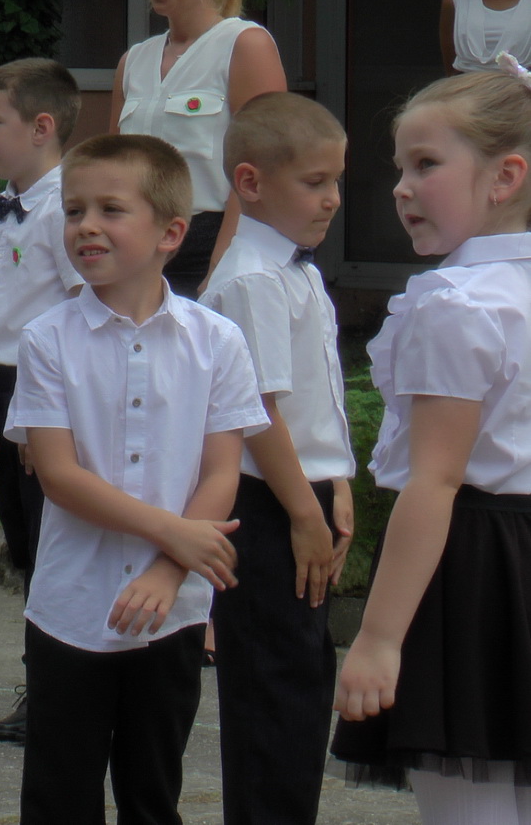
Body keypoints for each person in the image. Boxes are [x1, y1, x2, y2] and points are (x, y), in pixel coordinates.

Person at [8, 134, 267, 823]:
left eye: (110, 209)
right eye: (73, 211)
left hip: (172, 615)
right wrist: (174, 535)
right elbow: (59, 475)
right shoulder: (46, 339)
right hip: (71, 607)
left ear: (170, 233)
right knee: (59, 795)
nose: (85, 225)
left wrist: (168, 570)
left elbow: (220, 471)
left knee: (153, 791)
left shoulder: (217, 341)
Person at [332, 62, 531, 822]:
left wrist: (379, 638)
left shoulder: (457, 304)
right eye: (399, 168)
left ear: (505, 175)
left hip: (475, 568)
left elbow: (435, 480)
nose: (400, 188)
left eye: (425, 165)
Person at [198, 92, 357, 825]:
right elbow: (256, 410)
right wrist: (304, 512)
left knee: (301, 676)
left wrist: (337, 485)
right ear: (251, 183)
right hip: (270, 504)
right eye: (314, 182)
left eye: (336, 181)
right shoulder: (253, 278)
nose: (331, 199)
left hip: (304, 490)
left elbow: (315, 397)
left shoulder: (295, 269)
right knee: (273, 685)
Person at [0, 58, 86, 745]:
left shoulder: (69, 208)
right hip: (3, 386)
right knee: (25, 544)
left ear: (42, 127)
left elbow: (82, 315)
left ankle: (59, 689)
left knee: (54, 543)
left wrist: (47, 417)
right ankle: (43, 679)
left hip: (47, 392)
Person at [110, 0, 286, 298]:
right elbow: (111, 167)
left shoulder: (244, 45)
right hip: (135, 249)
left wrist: (220, 267)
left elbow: (260, 168)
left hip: (208, 243)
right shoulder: (133, 61)